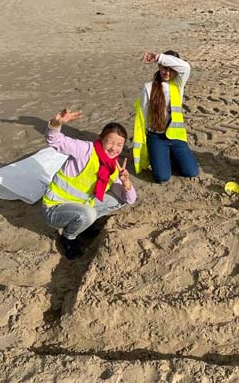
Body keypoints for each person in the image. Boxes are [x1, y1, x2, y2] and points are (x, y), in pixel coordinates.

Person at [42, 108, 136, 259]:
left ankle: (82, 224)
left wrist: (126, 183)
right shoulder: (85, 150)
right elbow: (54, 140)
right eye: (110, 142)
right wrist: (56, 123)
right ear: (101, 138)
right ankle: (68, 237)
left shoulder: (113, 167)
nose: (114, 148)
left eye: (119, 145)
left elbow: (131, 199)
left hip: (80, 206)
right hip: (55, 208)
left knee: (121, 198)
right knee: (88, 213)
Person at [133, 50, 199, 183]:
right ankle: (160, 154)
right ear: (159, 67)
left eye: (171, 69)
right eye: (164, 68)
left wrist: (158, 57)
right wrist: (145, 144)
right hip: (156, 137)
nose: (167, 72)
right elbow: (144, 117)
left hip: (176, 136)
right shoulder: (148, 87)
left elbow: (186, 67)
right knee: (162, 177)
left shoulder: (178, 85)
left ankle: (171, 155)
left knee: (191, 171)